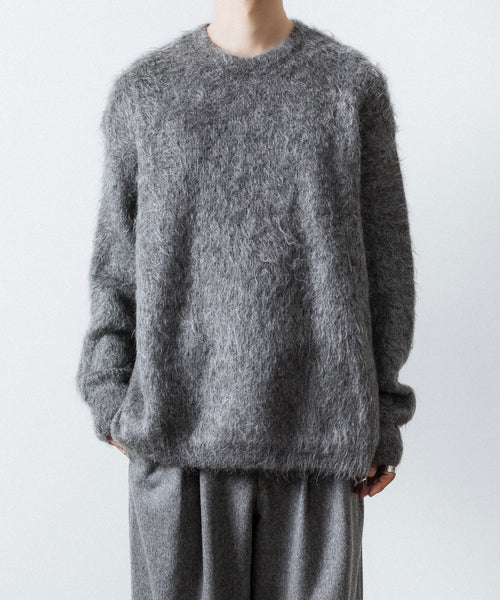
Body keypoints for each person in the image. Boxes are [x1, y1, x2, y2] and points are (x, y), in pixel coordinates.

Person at [75, 1, 416, 598]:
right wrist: (109, 393)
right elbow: (117, 262)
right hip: (178, 441)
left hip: (319, 444)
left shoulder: (349, 88)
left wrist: (383, 419)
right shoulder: (146, 94)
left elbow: (385, 266)